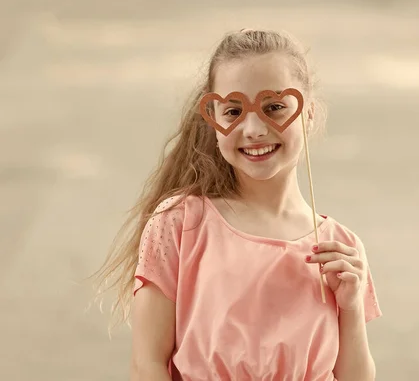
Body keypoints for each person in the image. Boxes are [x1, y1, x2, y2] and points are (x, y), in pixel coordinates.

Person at [93, 28, 382, 381]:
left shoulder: (340, 247)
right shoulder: (180, 223)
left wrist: (350, 306)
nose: (254, 128)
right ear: (213, 121)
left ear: (307, 114)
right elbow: (147, 364)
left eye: (274, 107)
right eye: (233, 111)